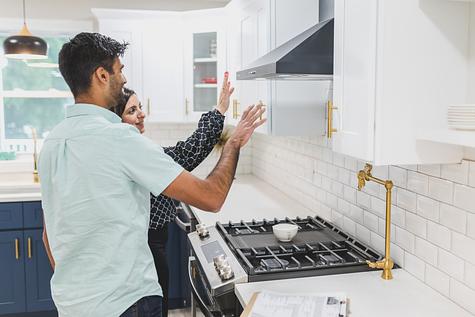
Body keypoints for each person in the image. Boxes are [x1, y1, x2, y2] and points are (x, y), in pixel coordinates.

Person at [39, 32, 265, 317]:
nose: (122, 79)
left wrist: (80, 288)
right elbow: (212, 197)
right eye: (119, 70)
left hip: (73, 306)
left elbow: (48, 234)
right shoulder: (120, 139)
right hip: (127, 303)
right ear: (101, 75)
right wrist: (232, 143)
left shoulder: (52, 143)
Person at [114, 83, 231, 317]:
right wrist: (219, 111)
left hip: (146, 246)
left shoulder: (128, 150)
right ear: (115, 121)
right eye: (131, 111)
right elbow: (188, 153)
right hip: (147, 247)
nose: (141, 114)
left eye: (139, 107)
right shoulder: (133, 153)